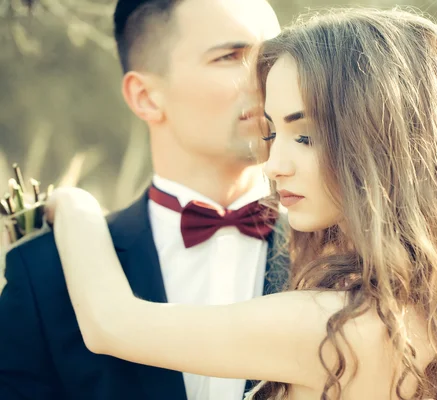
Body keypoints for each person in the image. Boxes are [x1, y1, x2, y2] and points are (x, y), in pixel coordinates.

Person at [47, 8, 437, 400]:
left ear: (383, 140)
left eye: (306, 136)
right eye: (273, 133)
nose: (273, 165)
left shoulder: (327, 325)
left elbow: (113, 323)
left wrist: (72, 204)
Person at [0, 0, 285, 399]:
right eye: (231, 56)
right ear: (145, 96)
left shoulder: (349, 255)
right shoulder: (45, 273)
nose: (268, 78)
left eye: (273, 55)